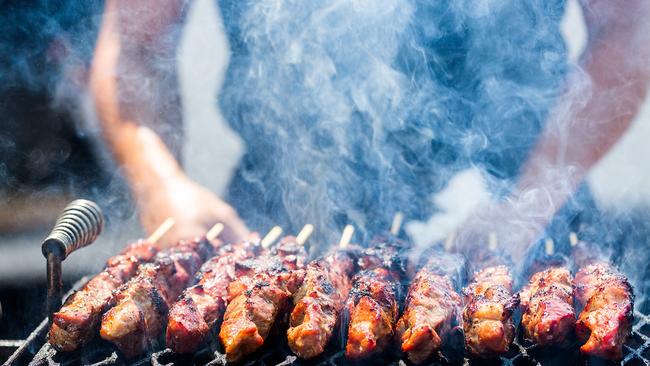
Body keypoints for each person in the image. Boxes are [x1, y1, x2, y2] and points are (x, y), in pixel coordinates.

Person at [90, 0, 650, 260]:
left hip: (523, 218)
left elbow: (629, 24)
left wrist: (530, 195)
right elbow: (133, 46)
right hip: (278, 229)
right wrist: (163, 187)